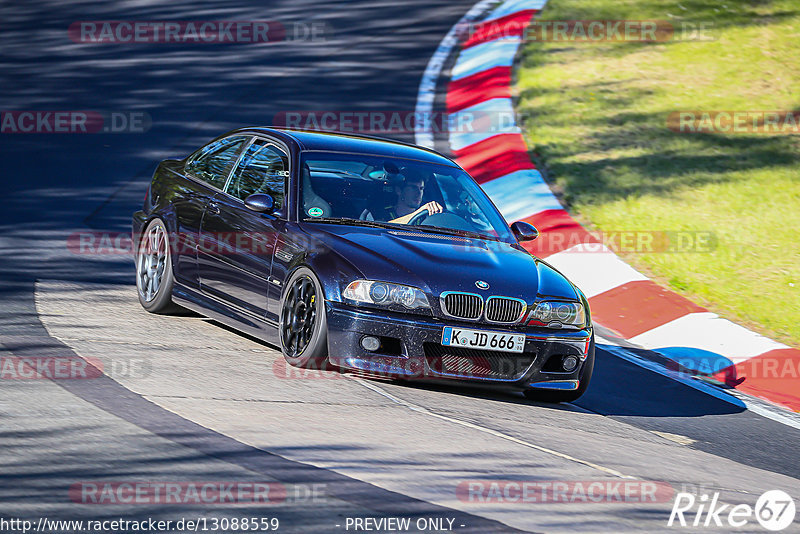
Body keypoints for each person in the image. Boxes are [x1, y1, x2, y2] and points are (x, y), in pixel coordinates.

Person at [360, 170, 443, 224]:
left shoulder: (428, 217)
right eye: (413, 188)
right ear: (399, 191)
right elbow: (381, 228)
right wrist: (417, 213)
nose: (418, 193)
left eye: (421, 188)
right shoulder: (379, 212)